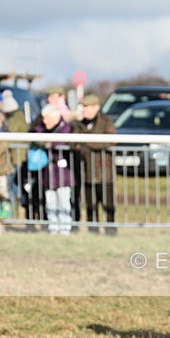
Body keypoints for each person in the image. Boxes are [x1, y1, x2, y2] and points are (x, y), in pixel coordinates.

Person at [73, 93, 117, 234]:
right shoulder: (80, 124)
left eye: (87, 107)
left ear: (95, 108)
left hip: (105, 171)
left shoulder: (106, 121)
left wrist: (87, 144)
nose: (84, 110)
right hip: (87, 170)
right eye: (83, 107)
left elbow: (110, 140)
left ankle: (111, 231)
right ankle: (93, 231)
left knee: (108, 204)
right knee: (90, 204)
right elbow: (72, 142)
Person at [32, 104, 74, 234]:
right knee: (50, 201)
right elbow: (34, 134)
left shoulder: (66, 127)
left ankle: (65, 228)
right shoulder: (42, 128)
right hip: (48, 172)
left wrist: (48, 143)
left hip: (63, 172)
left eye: (47, 118)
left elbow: (60, 142)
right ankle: (53, 227)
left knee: (63, 201)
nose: (44, 121)